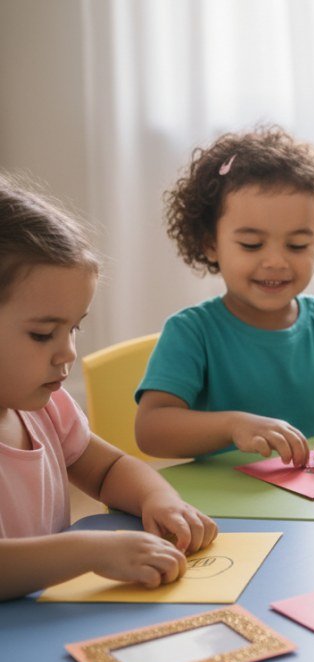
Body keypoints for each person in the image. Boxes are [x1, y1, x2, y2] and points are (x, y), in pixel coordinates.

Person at [135, 126, 314, 467]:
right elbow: (151, 429)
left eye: (297, 245)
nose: (276, 262)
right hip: (229, 505)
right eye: (252, 244)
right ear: (210, 243)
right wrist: (232, 425)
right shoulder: (192, 331)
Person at [0, 175, 217, 600]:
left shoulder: (49, 409)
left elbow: (109, 469)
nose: (68, 353)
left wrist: (159, 499)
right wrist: (88, 551)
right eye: (44, 334)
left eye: (73, 329)